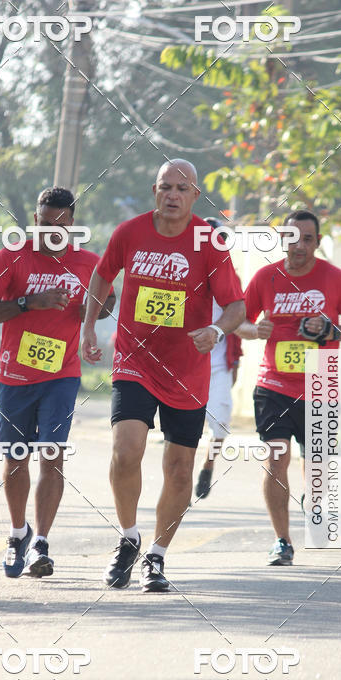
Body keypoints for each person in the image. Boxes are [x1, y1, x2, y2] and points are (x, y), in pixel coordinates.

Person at [82, 159, 245, 592]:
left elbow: (236, 307)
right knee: (126, 448)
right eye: (165, 186)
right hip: (135, 360)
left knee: (178, 469)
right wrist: (87, 330)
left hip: (187, 370)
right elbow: (101, 278)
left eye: (182, 188)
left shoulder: (209, 243)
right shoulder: (130, 232)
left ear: (194, 196)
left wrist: (215, 329)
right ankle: (129, 537)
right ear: (154, 190)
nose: (172, 194)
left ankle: (156, 556)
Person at [0, 187, 115, 578]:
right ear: (35, 220)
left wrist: (92, 311)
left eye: (60, 224)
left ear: (71, 223)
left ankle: (41, 545)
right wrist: (26, 303)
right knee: (16, 458)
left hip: (62, 375)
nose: (51, 231)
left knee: (51, 455)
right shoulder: (12, 256)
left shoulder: (88, 262)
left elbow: (108, 304)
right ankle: (18, 532)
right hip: (15, 375)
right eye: (44, 223)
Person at [239, 210, 341, 566]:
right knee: (276, 458)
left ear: (318, 242)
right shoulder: (266, 278)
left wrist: (331, 331)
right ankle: (282, 541)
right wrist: (254, 331)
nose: (300, 246)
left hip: (321, 380)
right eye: (293, 238)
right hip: (274, 384)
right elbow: (240, 320)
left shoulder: (334, 278)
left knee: (318, 471)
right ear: (283, 240)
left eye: (307, 239)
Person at [195, 217, 243, 499]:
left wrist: (236, 360)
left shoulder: (231, 277)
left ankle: (208, 466)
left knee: (221, 421)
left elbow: (240, 320)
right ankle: (181, 470)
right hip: (187, 362)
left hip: (219, 363)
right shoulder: (185, 272)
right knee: (184, 426)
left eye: (221, 241)